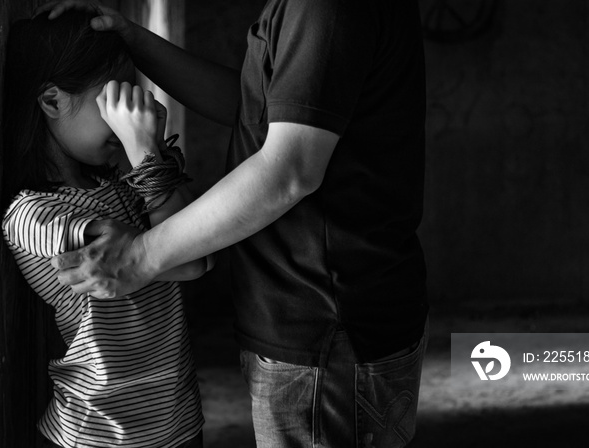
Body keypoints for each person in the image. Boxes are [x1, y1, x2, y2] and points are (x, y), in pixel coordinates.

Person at [40, 0, 429, 446]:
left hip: (327, 321)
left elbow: (290, 169)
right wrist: (134, 39)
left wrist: (140, 255)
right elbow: (259, 108)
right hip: (309, 315)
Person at [1, 10, 212, 448]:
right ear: (53, 101)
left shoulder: (118, 186)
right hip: (101, 434)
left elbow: (195, 247)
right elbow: (188, 260)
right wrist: (141, 149)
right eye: (114, 100)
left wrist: (144, 155)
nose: (125, 117)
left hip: (177, 420)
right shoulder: (32, 215)